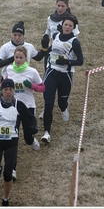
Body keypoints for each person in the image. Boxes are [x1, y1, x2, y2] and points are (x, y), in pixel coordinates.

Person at [0, 78, 38, 207]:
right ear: (1, 91)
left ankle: (5, 198)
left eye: (10, 90)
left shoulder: (18, 105)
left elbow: (31, 117)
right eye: (6, 90)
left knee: (8, 174)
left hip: (12, 142)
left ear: (13, 91)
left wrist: (34, 127)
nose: (8, 92)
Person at [0, 46, 44, 181]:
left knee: (27, 137)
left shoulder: (32, 71)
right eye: (16, 57)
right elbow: (5, 83)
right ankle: (12, 169)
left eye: (20, 58)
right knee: (13, 139)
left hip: (28, 107)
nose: (18, 60)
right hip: (13, 107)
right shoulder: (9, 69)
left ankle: (32, 140)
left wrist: (32, 86)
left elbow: (42, 87)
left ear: (26, 58)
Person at [40, 14, 83, 144]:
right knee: (48, 103)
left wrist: (67, 62)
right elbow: (51, 51)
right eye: (66, 24)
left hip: (65, 76)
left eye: (70, 26)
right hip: (51, 72)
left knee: (61, 103)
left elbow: (80, 61)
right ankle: (47, 132)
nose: (67, 27)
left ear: (73, 28)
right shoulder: (55, 36)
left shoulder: (75, 42)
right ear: (62, 25)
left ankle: (64, 108)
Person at [38, 0, 80, 120]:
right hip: (52, 53)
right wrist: (45, 39)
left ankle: (64, 104)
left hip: (66, 54)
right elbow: (48, 31)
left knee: (65, 81)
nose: (60, 8)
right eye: (58, 5)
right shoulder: (50, 19)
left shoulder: (70, 21)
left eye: (63, 6)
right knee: (48, 80)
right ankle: (47, 107)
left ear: (67, 7)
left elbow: (75, 38)